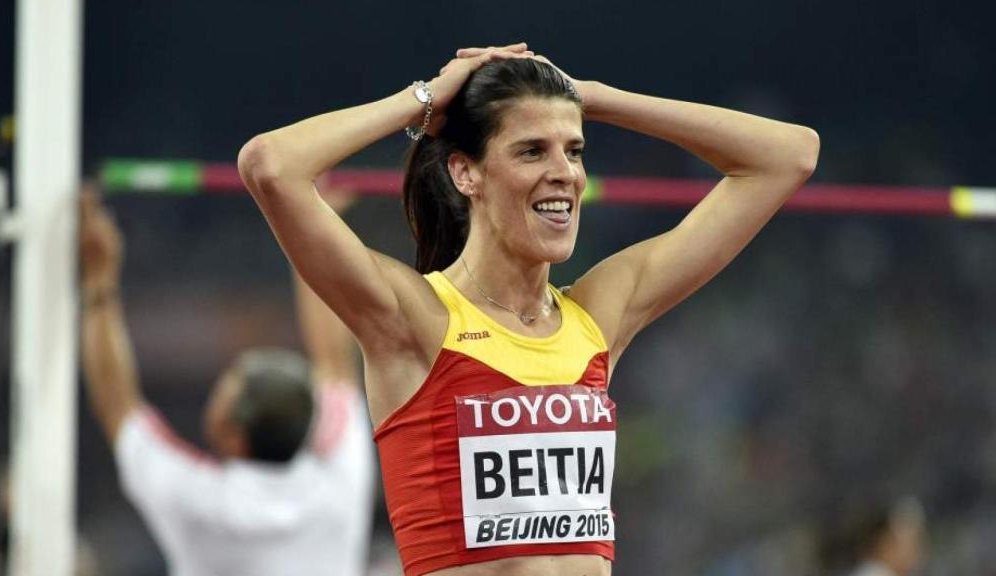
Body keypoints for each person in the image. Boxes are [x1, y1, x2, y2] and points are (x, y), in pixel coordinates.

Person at [237, 42, 819, 576]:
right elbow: (271, 166)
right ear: (465, 171)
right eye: (532, 151)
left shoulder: (598, 315)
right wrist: (424, 99)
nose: (563, 173)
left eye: (574, 150)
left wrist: (591, 97)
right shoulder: (413, 319)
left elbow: (788, 156)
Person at [78, 189, 374, 576]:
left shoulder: (200, 503)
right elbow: (334, 363)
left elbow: (118, 403)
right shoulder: (339, 481)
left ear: (232, 435)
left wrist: (99, 278)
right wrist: (314, 226)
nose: (216, 390)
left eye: (224, 390)